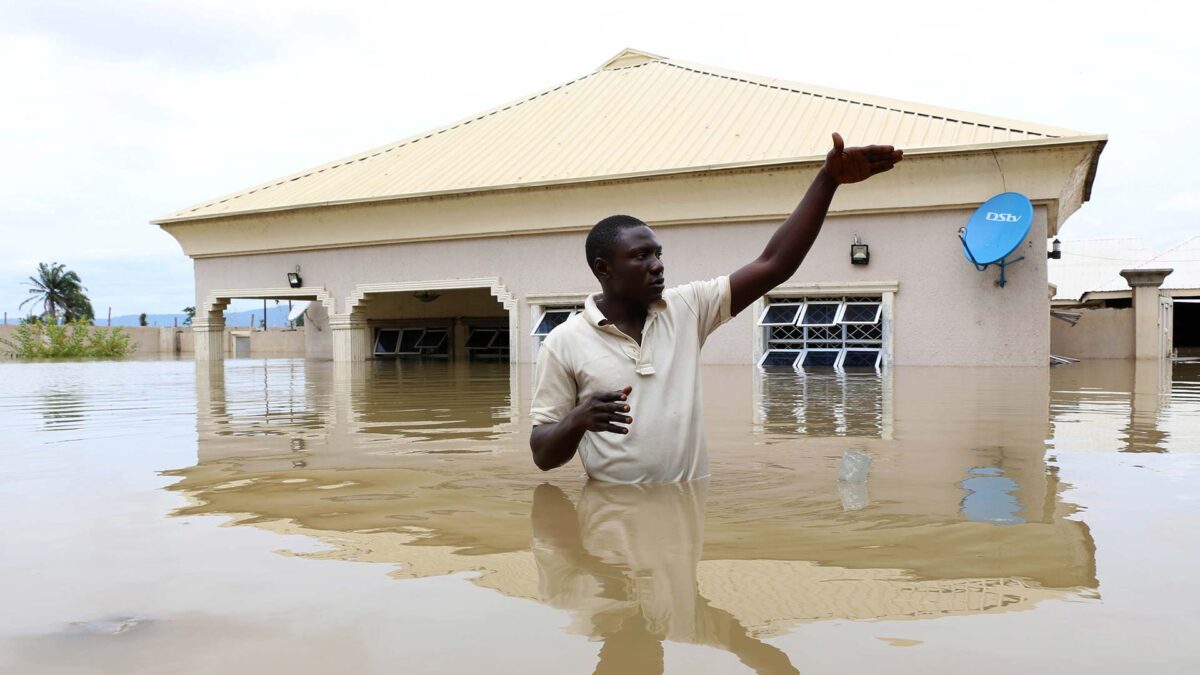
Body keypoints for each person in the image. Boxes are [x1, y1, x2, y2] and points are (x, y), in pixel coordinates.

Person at [530, 133, 902, 482]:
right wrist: (577, 419)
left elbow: (775, 264)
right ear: (603, 269)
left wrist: (827, 181)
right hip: (609, 525)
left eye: (658, 254)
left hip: (683, 525)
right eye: (641, 256)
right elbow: (543, 455)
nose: (657, 265)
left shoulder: (687, 309)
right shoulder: (563, 343)